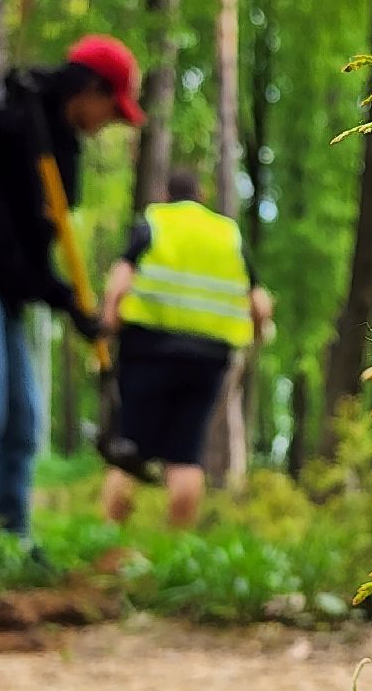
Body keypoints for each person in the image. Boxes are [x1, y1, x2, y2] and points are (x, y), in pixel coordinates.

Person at [0, 36, 145, 548]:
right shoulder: (16, 110)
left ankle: (9, 540)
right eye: (112, 109)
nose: (110, 122)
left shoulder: (62, 153)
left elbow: (31, 256)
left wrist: (71, 304)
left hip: (4, 288)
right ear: (91, 88)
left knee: (22, 421)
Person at [99, 169, 273, 529]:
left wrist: (106, 331)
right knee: (186, 454)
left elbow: (117, 286)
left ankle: (110, 542)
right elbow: (260, 305)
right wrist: (254, 339)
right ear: (203, 195)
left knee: (129, 449)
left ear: (166, 194)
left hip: (147, 352)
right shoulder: (228, 235)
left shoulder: (153, 224)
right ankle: (176, 549)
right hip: (208, 359)